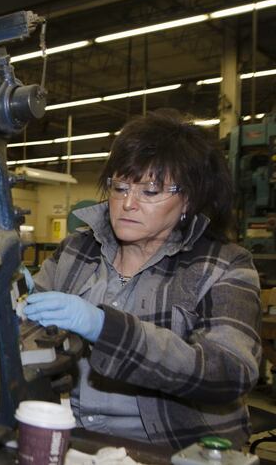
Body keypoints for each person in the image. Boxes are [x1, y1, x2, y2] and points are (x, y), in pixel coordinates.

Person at [24, 109, 261, 449]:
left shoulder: (224, 265)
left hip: (172, 445)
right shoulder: (77, 250)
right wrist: (9, 298)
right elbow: (29, 321)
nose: (128, 203)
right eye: (120, 187)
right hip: (76, 435)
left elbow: (229, 371)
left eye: (150, 192)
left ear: (188, 201)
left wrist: (107, 329)